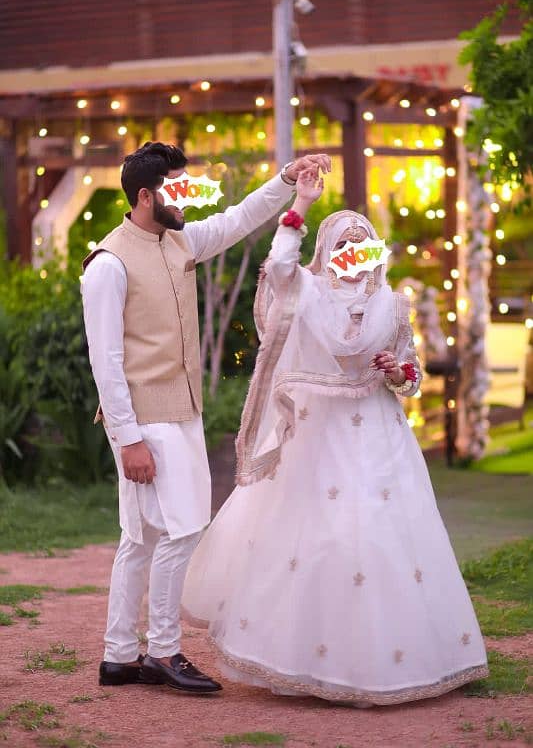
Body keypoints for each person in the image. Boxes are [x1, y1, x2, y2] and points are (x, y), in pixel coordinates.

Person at [181, 169, 489, 706]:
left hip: (378, 436)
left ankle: (390, 664)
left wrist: (397, 372)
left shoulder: (392, 304)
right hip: (315, 437)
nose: (351, 252)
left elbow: (412, 377)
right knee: (317, 541)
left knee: (379, 538)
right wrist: (300, 204)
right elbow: (278, 265)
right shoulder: (306, 291)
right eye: (341, 244)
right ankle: (305, 662)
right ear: (326, 251)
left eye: (359, 243)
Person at [81, 141, 331, 694]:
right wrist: (128, 441)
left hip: (181, 412)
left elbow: (239, 219)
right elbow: (106, 361)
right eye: (178, 188)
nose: (188, 198)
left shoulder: (181, 241)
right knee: (183, 528)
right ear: (146, 196)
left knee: (142, 537)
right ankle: (164, 652)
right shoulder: (108, 265)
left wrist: (287, 179)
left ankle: (120, 656)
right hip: (147, 423)